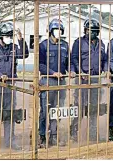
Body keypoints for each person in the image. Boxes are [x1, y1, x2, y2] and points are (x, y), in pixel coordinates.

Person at [0, 21, 29, 152]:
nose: (9, 38)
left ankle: (9, 142)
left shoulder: (13, 47)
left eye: (11, 36)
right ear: (1, 36)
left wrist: (20, 39)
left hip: (10, 87)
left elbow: (24, 54)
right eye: (7, 36)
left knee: (9, 115)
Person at [70, 18, 108, 142]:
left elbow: (105, 60)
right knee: (80, 106)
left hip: (96, 79)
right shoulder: (79, 42)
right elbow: (74, 58)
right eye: (89, 30)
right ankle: (73, 132)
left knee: (94, 107)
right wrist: (80, 71)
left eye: (94, 30)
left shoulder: (101, 43)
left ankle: (92, 133)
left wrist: (106, 69)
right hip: (82, 79)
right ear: (85, 30)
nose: (92, 32)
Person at [38, 18, 72, 148]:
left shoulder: (65, 45)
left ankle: (53, 136)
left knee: (57, 110)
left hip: (61, 82)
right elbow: (40, 65)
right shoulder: (43, 45)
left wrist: (72, 71)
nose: (58, 32)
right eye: (56, 30)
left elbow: (68, 63)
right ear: (51, 31)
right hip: (48, 81)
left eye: (60, 30)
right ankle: (41, 136)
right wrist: (52, 72)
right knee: (45, 110)